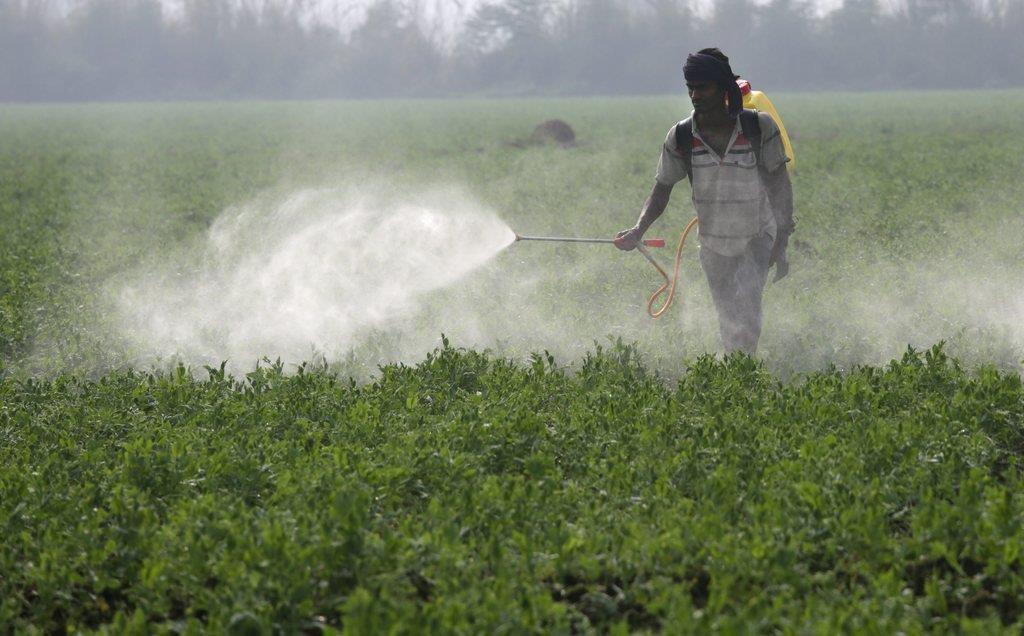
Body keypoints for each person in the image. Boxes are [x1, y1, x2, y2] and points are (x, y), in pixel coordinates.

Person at [614, 47, 795, 355]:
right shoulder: (681, 137)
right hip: (713, 244)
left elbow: (780, 183)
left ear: (723, 88)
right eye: (691, 88)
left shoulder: (758, 128)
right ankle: (735, 370)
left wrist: (783, 236)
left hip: (756, 236)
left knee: (748, 308)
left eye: (702, 87)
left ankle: (743, 370)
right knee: (727, 314)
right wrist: (638, 229)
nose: (695, 95)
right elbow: (661, 189)